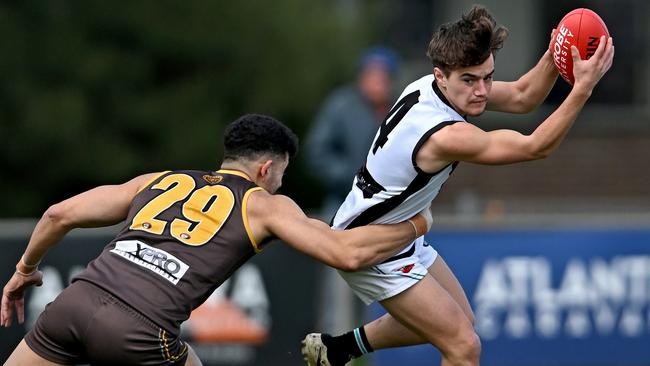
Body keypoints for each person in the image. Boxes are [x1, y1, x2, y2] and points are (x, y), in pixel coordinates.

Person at [301, 5, 614, 366]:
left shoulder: (432, 86)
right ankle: (343, 348)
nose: (482, 91)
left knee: (462, 322)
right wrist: (583, 89)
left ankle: (340, 349)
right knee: (464, 347)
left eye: (488, 77)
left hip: (396, 233)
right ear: (442, 75)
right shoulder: (445, 136)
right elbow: (535, 146)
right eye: (470, 80)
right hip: (370, 244)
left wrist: (555, 52)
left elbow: (524, 96)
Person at [1, 114, 433, 366]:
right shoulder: (263, 204)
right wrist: (416, 224)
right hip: (140, 327)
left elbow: (58, 214)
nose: (281, 184)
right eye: (281, 173)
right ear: (266, 168)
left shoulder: (159, 179)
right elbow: (346, 253)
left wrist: (24, 271)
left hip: (74, 302)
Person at [306, 46, 399, 217]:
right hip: (342, 201)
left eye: (383, 76)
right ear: (361, 77)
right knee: (334, 241)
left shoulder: (401, 108)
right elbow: (317, 152)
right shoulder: (340, 104)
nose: (377, 81)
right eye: (371, 74)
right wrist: (354, 178)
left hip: (390, 205)